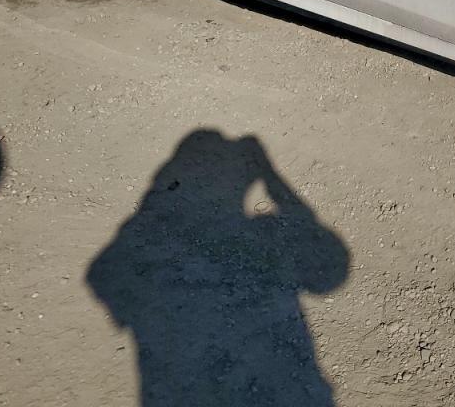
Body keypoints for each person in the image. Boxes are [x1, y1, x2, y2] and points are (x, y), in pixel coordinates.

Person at [87, 130, 348, 407]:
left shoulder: (148, 233)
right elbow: (329, 269)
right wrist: (269, 175)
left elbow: (102, 275)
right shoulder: (262, 237)